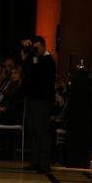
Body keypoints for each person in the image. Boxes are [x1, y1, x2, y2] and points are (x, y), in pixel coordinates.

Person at [21, 36, 56, 174]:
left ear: (43, 46)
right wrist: (27, 49)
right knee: (33, 131)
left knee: (42, 132)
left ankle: (45, 163)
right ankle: (35, 161)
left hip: (42, 101)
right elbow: (27, 68)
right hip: (31, 99)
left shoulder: (48, 60)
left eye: (37, 48)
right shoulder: (35, 58)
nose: (36, 50)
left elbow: (39, 73)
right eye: (34, 47)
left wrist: (33, 55)